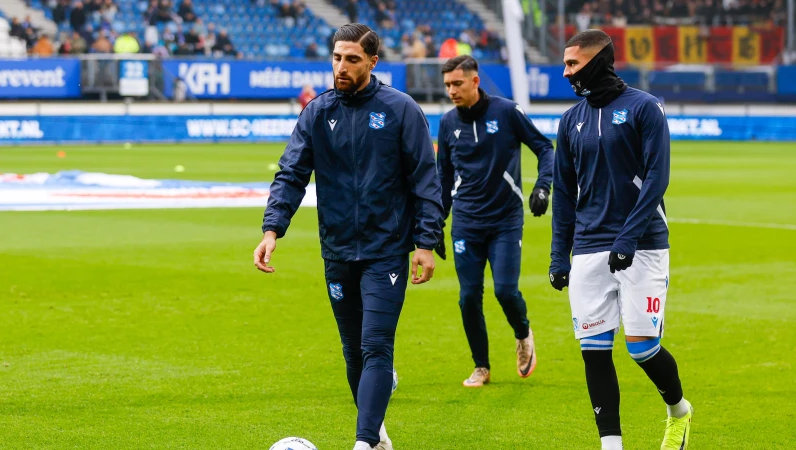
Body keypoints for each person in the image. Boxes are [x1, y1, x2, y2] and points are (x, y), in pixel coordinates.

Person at [253, 23, 444, 450]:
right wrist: (272, 230)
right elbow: (291, 174)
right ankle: (377, 438)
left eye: (352, 59)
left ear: (373, 62)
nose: (341, 66)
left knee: (376, 345)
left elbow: (425, 181)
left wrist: (426, 243)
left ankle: (361, 443)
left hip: (386, 250)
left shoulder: (400, 110)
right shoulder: (318, 112)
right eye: (337, 57)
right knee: (353, 351)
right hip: (337, 249)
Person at [549, 29, 693, 450]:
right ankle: (611, 445)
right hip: (590, 248)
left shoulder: (644, 107)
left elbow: (657, 177)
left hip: (643, 243)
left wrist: (628, 238)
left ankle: (679, 410)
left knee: (642, 348)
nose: (566, 72)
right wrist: (560, 254)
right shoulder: (570, 119)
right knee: (594, 351)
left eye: (573, 64)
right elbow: (564, 192)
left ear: (597, 62)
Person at [436, 55, 553, 387]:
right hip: (466, 222)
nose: (451, 91)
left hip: (505, 220)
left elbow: (545, 148)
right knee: (468, 296)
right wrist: (435, 224)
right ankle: (481, 367)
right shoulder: (446, 123)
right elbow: (443, 177)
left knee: (504, 290)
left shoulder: (506, 112)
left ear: (475, 81)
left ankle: (523, 333)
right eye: (447, 85)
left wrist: (543, 187)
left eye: (457, 83)